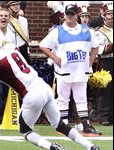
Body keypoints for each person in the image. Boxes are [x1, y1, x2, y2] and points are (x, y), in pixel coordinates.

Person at [39, 3, 102, 135]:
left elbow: (95, 47)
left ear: (77, 15)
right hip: (64, 71)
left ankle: (86, 124)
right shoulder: (57, 31)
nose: (69, 16)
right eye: (67, 14)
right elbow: (43, 45)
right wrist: (54, 57)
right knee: (63, 98)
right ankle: (63, 124)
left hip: (81, 70)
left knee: (81, 98)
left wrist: (90, 61)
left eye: (72, 14)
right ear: (64, 14)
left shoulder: (87, 31)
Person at [95, 2, 113, 126]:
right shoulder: (99, 31)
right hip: (106, 62)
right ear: (104, 16)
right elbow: (100, 50)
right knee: (106, 90)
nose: (111, 16)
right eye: (109, 14)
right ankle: (104, 116)